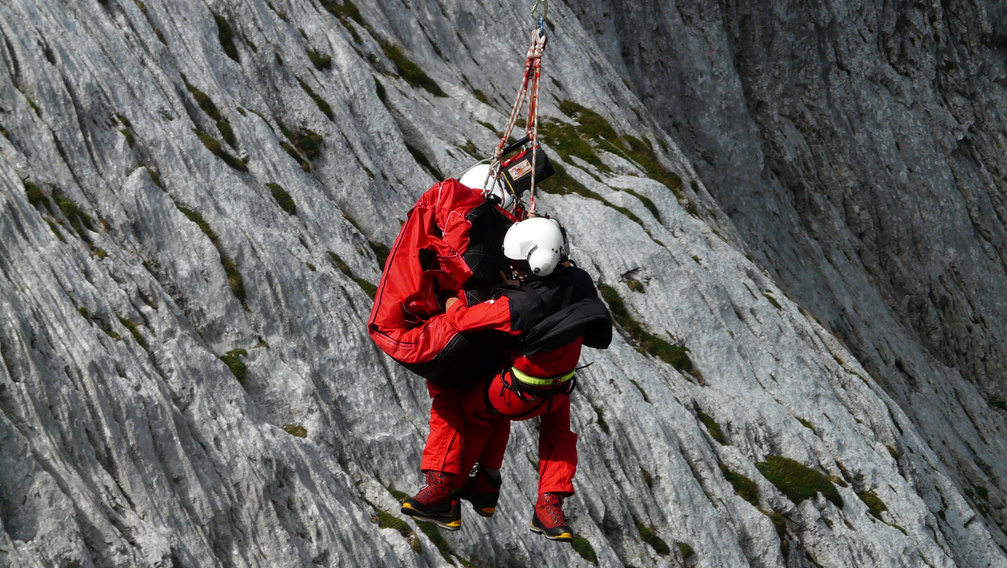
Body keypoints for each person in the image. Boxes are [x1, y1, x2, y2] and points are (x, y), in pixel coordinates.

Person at [404, 218, 613, 540]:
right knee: (557, 434)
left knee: (457, 404)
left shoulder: (517, 307)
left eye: (517, 264)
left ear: (531, 263)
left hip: (514, 396)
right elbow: (549, 287)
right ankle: (547, 504)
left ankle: (444, 490)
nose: (513, 269)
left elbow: (461, 320)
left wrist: (449, 293)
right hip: (557, 393)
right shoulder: (579, 280)